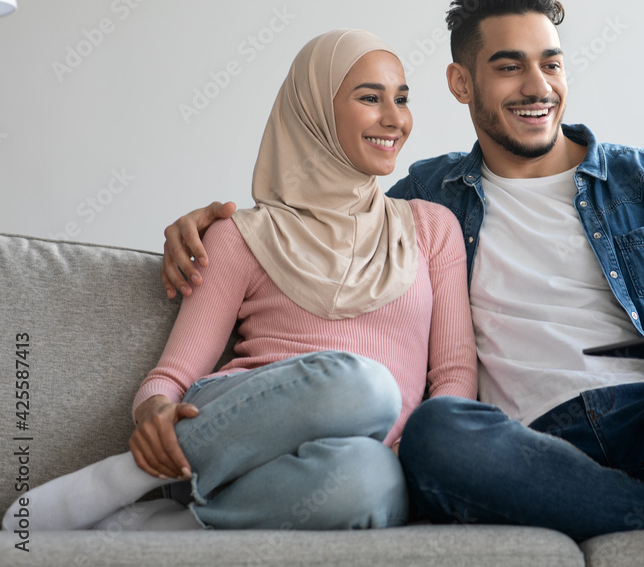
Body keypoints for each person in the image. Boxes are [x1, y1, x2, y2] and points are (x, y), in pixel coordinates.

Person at [155, 0, 644, 564]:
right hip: (525, 444)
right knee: (437, 430)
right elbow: (322, 207)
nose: (537, 84)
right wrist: (212, 219)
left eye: (551, 61)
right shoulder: (427, 200)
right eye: (508, 66)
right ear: (460, 82)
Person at [2, 29, 477, 533]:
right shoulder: (240, 234)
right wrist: (154, 415)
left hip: (331, 470)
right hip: (234, 432)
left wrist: (424, 450)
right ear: (313, 109)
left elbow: (454, 375)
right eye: (369, 98)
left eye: (401, 99)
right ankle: (130, 475)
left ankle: (173, 528)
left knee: (373, 484)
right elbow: (172, 377)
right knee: (367, 386)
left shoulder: (431, 229)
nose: (394, 118)